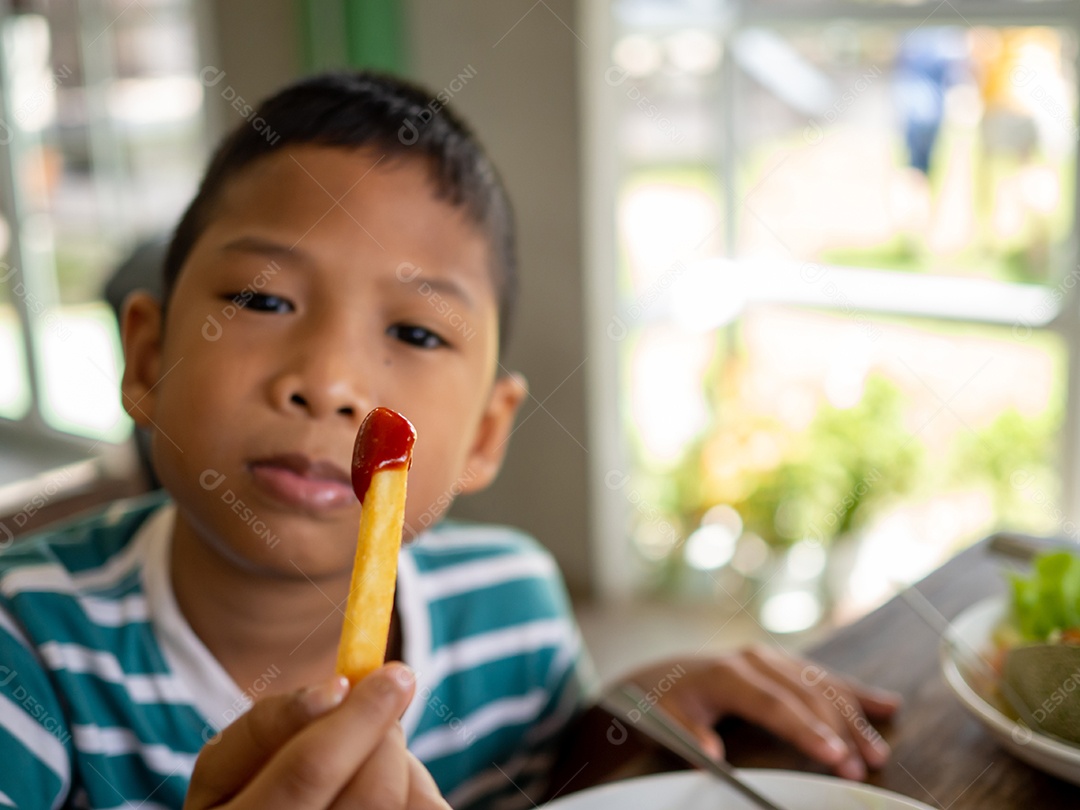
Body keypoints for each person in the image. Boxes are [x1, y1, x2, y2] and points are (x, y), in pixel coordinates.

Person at [0, 72, 900, 809]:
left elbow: (547, 783)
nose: (331, 381)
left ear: (486, 432)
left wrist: (639, 715)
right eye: (264, 300)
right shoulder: (29, 648)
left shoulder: (510, 603)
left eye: (418, 334)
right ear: (150, 357)